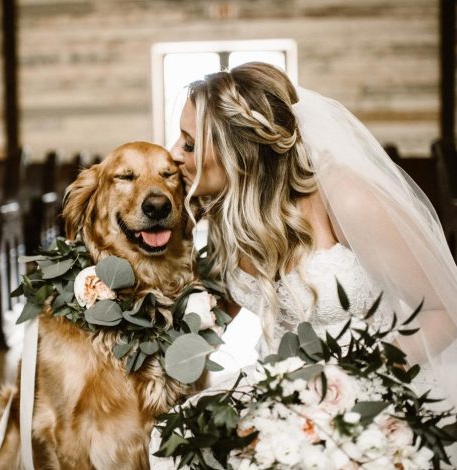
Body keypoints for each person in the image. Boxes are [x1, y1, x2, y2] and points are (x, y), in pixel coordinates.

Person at [149, 62, 457, 468]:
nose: (173, 152)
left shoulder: (346, 199)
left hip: (368, 390)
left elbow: (444, 312)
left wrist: (348, 383)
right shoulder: (228, 210)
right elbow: (217, 311)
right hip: (277, 390)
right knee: (172, 441)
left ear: (237, 153)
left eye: (189, 143)